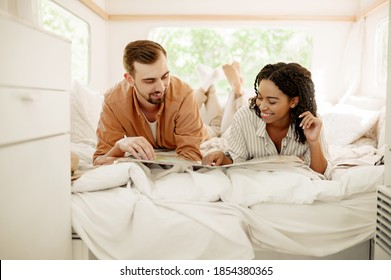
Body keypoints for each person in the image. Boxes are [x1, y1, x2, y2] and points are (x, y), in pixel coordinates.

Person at [202, 62, 330, 175]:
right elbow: (235, 161)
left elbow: (319, 172)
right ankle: (218, 88)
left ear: (293, 102)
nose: (262, 106)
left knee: (218, 122)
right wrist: (220, 156)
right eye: (259, 97)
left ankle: (236, 88)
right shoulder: (244, 117)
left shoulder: (311, 123)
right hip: (230, 131)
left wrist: (313, 142)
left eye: (272, 102)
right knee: (216, 127)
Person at [93, 40, 208, 165]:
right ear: (130, 80)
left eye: (165, 76)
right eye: (150, 81)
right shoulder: (113, 101)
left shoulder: (184, 93)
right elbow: (100, 159)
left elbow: (191, 156)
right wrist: (119, 146)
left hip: (203, 132)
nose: (160, 87)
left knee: (215, 126)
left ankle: (209, 89)